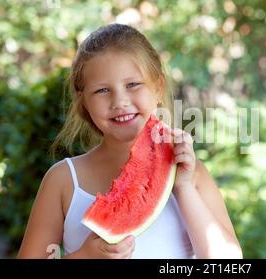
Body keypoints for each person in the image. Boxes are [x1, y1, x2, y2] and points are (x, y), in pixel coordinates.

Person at [17, 24, 242, 259]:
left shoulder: (190, 174)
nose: (120, 101)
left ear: (158, 87)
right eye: (103, 90)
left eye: (133, 85)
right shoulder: (63, 180)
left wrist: (184, 188)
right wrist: (85, 256)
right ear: (83, 101)